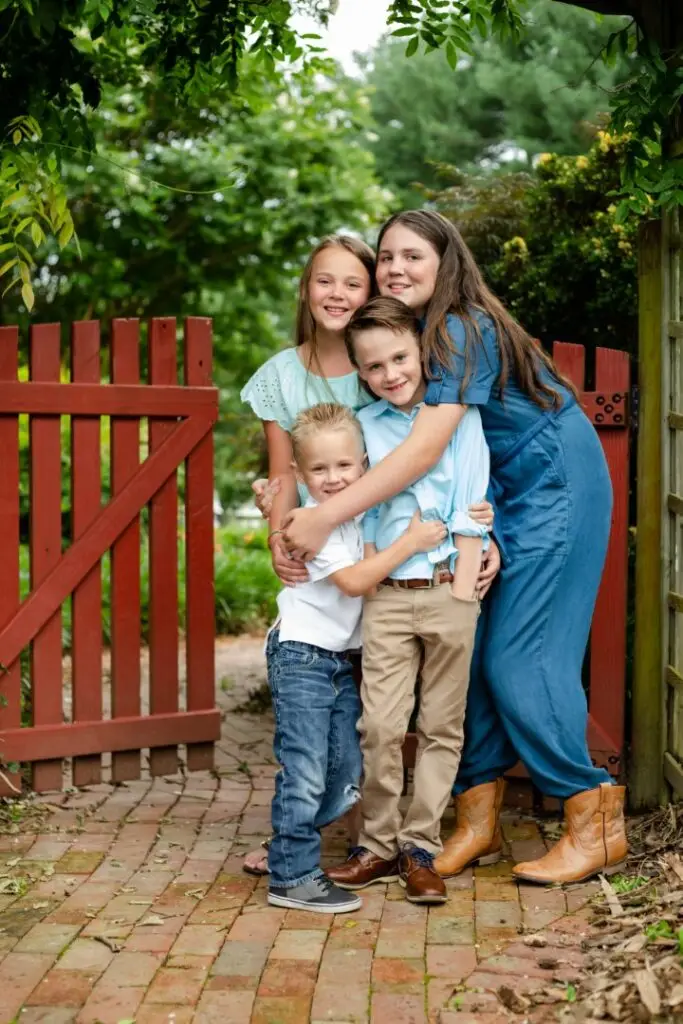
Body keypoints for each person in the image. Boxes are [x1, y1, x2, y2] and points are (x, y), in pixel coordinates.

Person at [282, 210, 628, 887]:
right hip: (507, 494)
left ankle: (594, 817)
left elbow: (425, 450)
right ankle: (476, 822)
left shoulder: (463, 327)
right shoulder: (419, 339)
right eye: (386, 257)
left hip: (557, 482)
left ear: (447, 262)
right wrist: (486, 531)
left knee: (518, 658)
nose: (395, 268)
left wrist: (324, 520)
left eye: (412, 255)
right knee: (469, 662)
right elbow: (459, 462)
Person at [240, 232, 498, 876]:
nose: (338, 294)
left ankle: (400, 843)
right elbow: (300, 474)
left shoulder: (427, 400)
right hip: (363, 579)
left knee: (419, 722)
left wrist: (479, 543)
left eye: (354, 283)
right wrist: (281, 521)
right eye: (325, 281)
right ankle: (352, 838)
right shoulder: (322, 401)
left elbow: (462, 483)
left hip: (424, 578)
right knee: (359, 723)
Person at [325, 297, 489, 905]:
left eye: (400, 357)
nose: (391, 373)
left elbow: (473, 500)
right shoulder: (364, 426)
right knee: (382, 726)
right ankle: (377, 844)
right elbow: (346, 495)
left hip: (449, 588)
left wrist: (466, 586)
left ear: (421, 352)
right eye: (375, 366)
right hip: (388, 596)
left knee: (443, 726)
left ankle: (421, 848)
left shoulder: (458, 418)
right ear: (360, 373)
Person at [266, 402, 447, 913]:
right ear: (301, 474)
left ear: (364, 465)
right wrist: (411, 541)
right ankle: (291, 873)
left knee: (346, 770)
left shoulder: (361, 512)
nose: (334, 479)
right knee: (303, 767)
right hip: (301, 654)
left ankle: (291, 837)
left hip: (342, 659)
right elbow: (354, 582)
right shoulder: (308, 523)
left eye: (345, 466)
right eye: (319, 469)